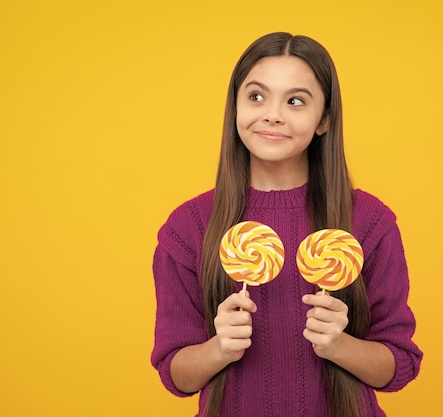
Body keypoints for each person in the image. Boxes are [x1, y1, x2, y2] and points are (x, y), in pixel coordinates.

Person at [151, 32, 422, 417]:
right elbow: (175, 374)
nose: (272, 113)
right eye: (256, 96)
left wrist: (339, 345)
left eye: (295, 101)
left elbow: (400, 364)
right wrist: (219, 348)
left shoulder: (368, 220)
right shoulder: (189, 227)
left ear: (324, 118)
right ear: (235, 107)